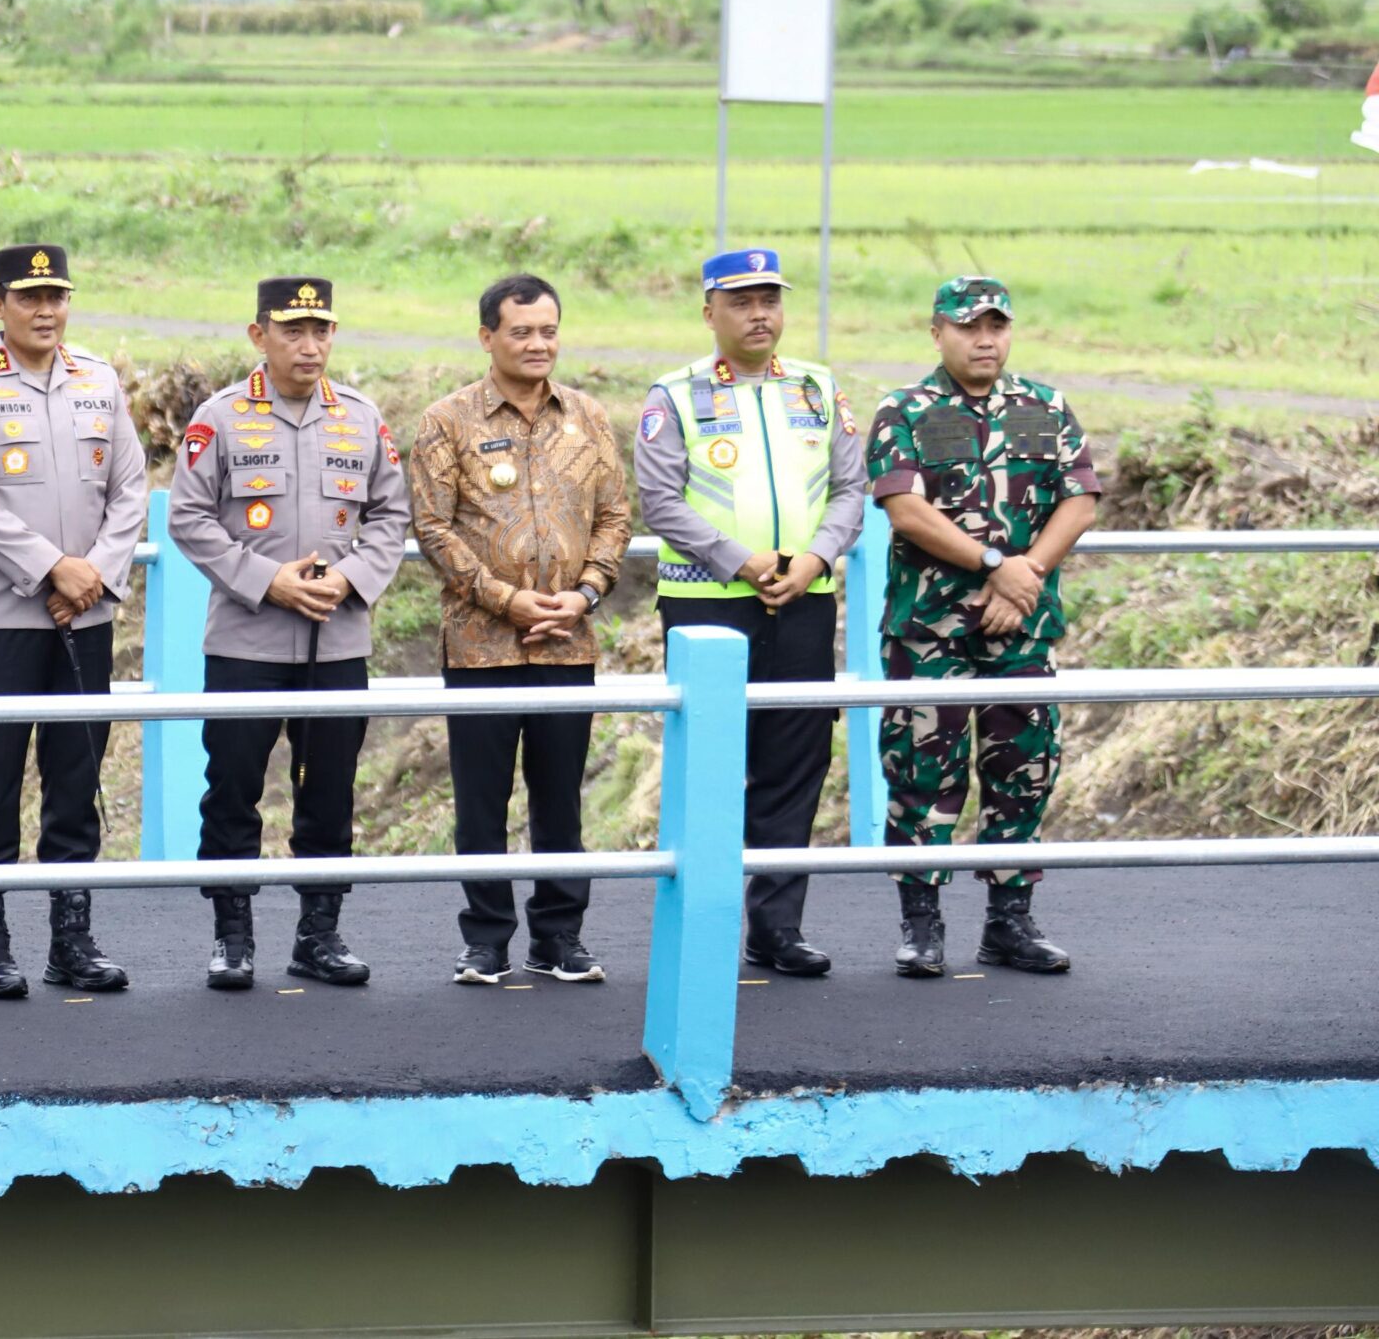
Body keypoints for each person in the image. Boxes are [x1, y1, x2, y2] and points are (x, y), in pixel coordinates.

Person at [167, 277, 412, 990]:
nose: (310, 345)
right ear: (259, 335)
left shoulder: (363, 419)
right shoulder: (219, 417)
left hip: (336, 639)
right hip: (247, 639)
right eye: (293, 330)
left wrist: (352, 577)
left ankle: (320, 931)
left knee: (330, 788)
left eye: (321, 330)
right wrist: (264, 578)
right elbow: (189, 518)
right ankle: (232, 933)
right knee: (233, 788)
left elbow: (391, 517)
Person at [635, 248, 864, 978]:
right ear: (710, 312)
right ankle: (702, 924)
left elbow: (851, 489)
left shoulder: (818, 387)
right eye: (741, 300)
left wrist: (816, 560)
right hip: (708, 605)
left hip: (802, 602)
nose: (759, 313)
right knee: (709, 766)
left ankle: (777, 926)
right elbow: (661, 500)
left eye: (769, 298)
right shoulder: (673, 395)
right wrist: (738, 559)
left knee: (796, 761)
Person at [0, 243, 148, 997]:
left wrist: (95, 575)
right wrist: (53, 567)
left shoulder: (100, 381)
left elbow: (130, 488)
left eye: (57, 295)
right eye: (29, 297)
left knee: (76, 780)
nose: (46, 309)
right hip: (5, 621)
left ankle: (72, 940)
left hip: (85, 619)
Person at [866, 277, 1102, 978]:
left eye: (996, 325)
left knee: (1023, 774)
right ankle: (921, 923)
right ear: (936, 330)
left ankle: (1010, 920)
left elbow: (1080, 499)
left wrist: (1025, 576)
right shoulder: (904, 410)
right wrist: (997, 564)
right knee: (922, 777)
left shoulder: (1045, 406)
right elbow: (905, 510)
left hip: (1020, 631)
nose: (985, 339)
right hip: (930, 634)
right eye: (969, 327)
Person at [409, 273, 629, 987]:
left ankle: (560, 936)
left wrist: (585, 593)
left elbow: (616, 516)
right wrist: (507, 599)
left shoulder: (590, 418)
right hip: (481, 647)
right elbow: (433, 527)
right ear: (487, 337)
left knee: (560, 799)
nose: (539, 344)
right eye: (522, 331)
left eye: (548, 331)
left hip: (569, 640)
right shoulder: (447, 422)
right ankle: (486, 941)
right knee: (481, 802)